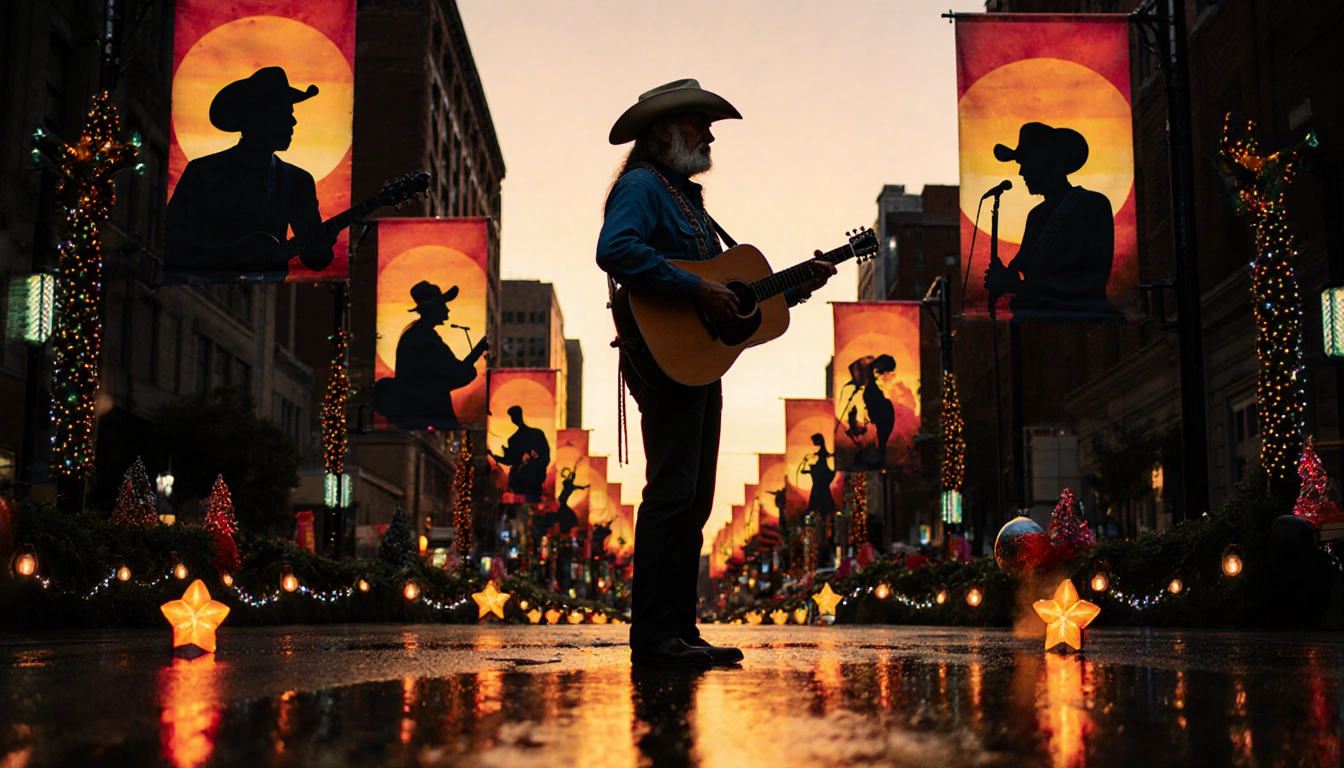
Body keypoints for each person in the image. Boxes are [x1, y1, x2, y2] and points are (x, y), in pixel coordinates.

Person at [596, 79, 836, 667]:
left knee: (695, 501)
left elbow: (732, 300)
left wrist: (792, 289)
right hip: (667, 362)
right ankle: (654, 637)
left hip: (701, 363)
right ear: (663, 130)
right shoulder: (641, 187)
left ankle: (681, 630)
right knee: (672, 494)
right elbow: (615, 249)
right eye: (700, 124)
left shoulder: (690, 203)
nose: (709, 135)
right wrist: (697, 287)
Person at [164, 67, 337, 282]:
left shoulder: (298, 182)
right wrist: (228, 257)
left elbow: (315, 260)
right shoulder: (203, 172)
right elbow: (171, 244)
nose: (293, 122)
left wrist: (324, 241)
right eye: (285, 113)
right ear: (260, 118)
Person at [983, 122, 1124, 323]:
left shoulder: (1092, 205)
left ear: (1046, 163)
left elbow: (1092, 279)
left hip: (1082, 320)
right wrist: (1003, 278)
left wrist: (1016, 285)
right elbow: (1022, 268)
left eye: (1025, 163)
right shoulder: (1035, 216)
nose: (1021, 172)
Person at [373, 281, 489, 430]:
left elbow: (452, 371)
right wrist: (474, 356)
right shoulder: (424, 337)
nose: (447, 310)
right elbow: (450, 374)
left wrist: (474, 355)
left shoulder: (420, 334)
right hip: (428, 415)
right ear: (433, 309)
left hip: (423, 414)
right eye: (443, 304)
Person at [491, 406, 550, 502]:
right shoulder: (516, 438)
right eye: (512, 416)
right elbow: (511, 460)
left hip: (530, 482)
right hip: (522, 483)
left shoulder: (533, 435)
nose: (513, 419)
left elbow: (544, 457)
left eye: (514, 416)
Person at [801, 433, 836, 515]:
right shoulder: (821, 453)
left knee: (820, 493)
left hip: (821, 479)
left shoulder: (822, 454)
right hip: (819, 479)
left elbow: (822, 464)